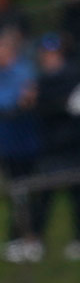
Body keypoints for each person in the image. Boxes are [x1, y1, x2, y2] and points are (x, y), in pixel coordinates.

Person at [0, 31, 42, 262]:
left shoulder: (24, 73)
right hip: (5, 144)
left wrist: (4, 106)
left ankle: (30, 238)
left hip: (26, 142)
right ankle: (20, 238)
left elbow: (19, 102)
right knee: (16, 193)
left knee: (28, 191)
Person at [31, 34, 80, 261]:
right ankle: (35, 240)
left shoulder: (73, 76)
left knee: (76, 195)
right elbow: (42, 109)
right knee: (43, 195)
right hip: (50, 146)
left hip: (73, 146)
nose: (48, 58)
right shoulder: (41, 80)